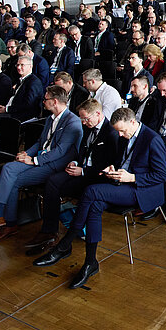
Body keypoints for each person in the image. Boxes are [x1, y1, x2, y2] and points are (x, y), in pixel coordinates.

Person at [32, 107, 166, 290]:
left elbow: (161, 175)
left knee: (91, 191)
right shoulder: (124, 136)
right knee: (94, 204)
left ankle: (65, 244)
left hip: (140, 189)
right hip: (121, 182)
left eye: (122, 130)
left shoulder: (153, 139)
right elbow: (122, 162)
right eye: (117, 131)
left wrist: (132, 177)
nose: (119, 135)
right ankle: (90, 262)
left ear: (133, 123)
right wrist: (113, 169)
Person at [0, 86, 83, 242]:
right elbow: (40, 142)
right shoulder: (50, 118)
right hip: (41, 158)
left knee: (12, 179)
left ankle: (6, 221)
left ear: (55, 101)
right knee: (9, 169)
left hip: (55, 165)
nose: (43, 102)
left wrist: (33, 160)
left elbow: (60, 152)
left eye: (45, 100)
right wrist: (27, 153)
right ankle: (0, 217)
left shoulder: (72, 122)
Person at [24, 98, 120, 253]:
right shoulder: (89, 126)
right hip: (81, 169)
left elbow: (110, 166)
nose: (83, 122)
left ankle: (71, 229)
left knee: (66, 186)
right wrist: (75, 162)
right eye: (81, 119)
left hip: (96, 176)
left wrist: (83, 171)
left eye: (86, 119)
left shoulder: (112, 133)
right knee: (52, 181)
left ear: (98, 114)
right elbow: (82, 150)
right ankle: (49, 230)